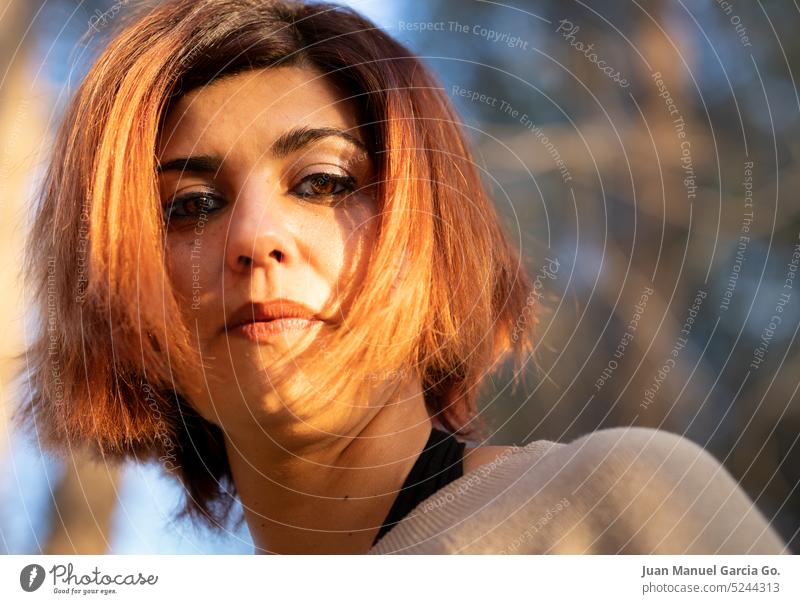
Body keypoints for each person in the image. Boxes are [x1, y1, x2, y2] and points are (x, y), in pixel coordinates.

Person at [15, 0, 786, 555]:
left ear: (428, 236)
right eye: (189, 205)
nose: (253, 239)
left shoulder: (615, 510)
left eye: (321, 182)